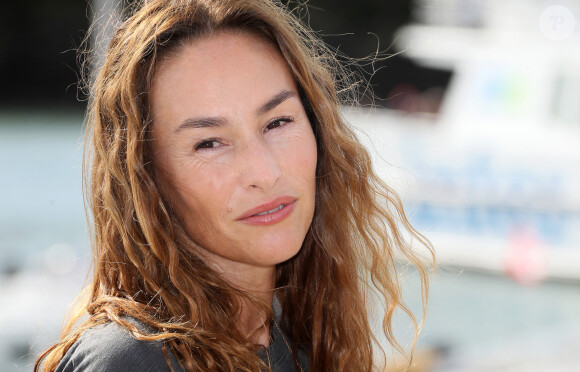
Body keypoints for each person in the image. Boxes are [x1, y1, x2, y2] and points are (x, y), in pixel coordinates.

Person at [36, 0, 433, 371]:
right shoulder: (131, 360)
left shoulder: (304, 342)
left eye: (278, 122)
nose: (264, 172)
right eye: (209, 143)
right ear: (147, 178)